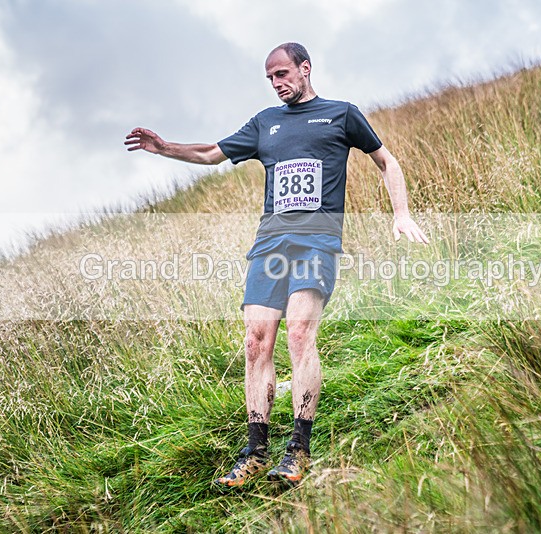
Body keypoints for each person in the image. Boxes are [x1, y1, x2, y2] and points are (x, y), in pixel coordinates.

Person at [125, 42, 428, 489]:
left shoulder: (341, 114)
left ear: (305, 69)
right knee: (255, 342)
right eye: (270, 78)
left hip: (316, 242)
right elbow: (212, 153)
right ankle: (254, 451)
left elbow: (387, 161)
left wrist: (401, 214)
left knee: (300, 334)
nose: (277, 83)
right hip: (269, 244)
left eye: (283, 74)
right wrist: (165, 147)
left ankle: (299, 451)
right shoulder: (264, 123)